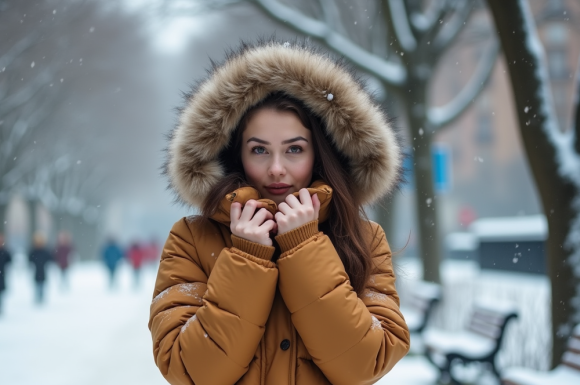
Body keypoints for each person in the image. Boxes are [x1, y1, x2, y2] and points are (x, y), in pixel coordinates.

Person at [149, 41, 410, 384]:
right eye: (259, 149)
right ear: (234, 154)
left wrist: (305, 248)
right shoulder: (192, 239)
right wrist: (246, 259)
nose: (276, 169)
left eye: (294, 149)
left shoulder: (363, 238)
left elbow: (363, 365)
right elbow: (193, 371)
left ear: (320, 153)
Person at [28, 233, 53, 304]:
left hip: (43, 270)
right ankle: (37, 297)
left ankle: (41, 297)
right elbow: (30, 259)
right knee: (37, 284)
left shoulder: (45, 251)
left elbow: (50, 259)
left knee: (42, 284)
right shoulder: (33, 251)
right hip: (36, 270)